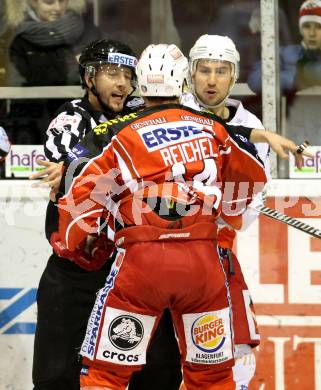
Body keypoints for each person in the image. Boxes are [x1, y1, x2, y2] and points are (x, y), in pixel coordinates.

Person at [53, 43, 270, 390]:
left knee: (106, 375)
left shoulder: (120, 131)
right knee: (212, 378)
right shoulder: (213, 127)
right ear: (183, 82)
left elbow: (82, 192)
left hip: (141, 266)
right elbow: (255, 177)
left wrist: (72, 243)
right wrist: (226, 210)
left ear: (141, 83)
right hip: (203, 268)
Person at [30, 39, 182, 390]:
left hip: (134, 270)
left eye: (128, 75)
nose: (122, 84)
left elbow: (186, 123)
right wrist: (75, 167)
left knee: (160, 372)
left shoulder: (144, 112)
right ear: (88, 77)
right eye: (112, 74)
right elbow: (72, 174)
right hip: (75, 274)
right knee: (55, 378)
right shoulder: (69, 119)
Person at [180, 33, 270, 389]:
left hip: (217, 253)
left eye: (221, 71)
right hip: (162, 250)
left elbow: (247, 209)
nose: (212, 80)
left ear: (234, 77)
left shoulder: (253, 128)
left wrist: (231, 204)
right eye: (204, 70)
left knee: (237, 345)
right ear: (190, 73)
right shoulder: (172, 112)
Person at [7, 0, 100, 86]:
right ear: (33, 3)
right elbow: (16, 84)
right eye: (49, 2)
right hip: (33, 101)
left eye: (62, 1)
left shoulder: (88, 31)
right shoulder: (19, 41)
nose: (58, 8)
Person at [248, 0, 321, 94]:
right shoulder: (287, 54)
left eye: (319, 27)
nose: (312, 33)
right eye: (307, 26)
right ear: (301, 29)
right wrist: (293, 79)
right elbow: (254, 80)